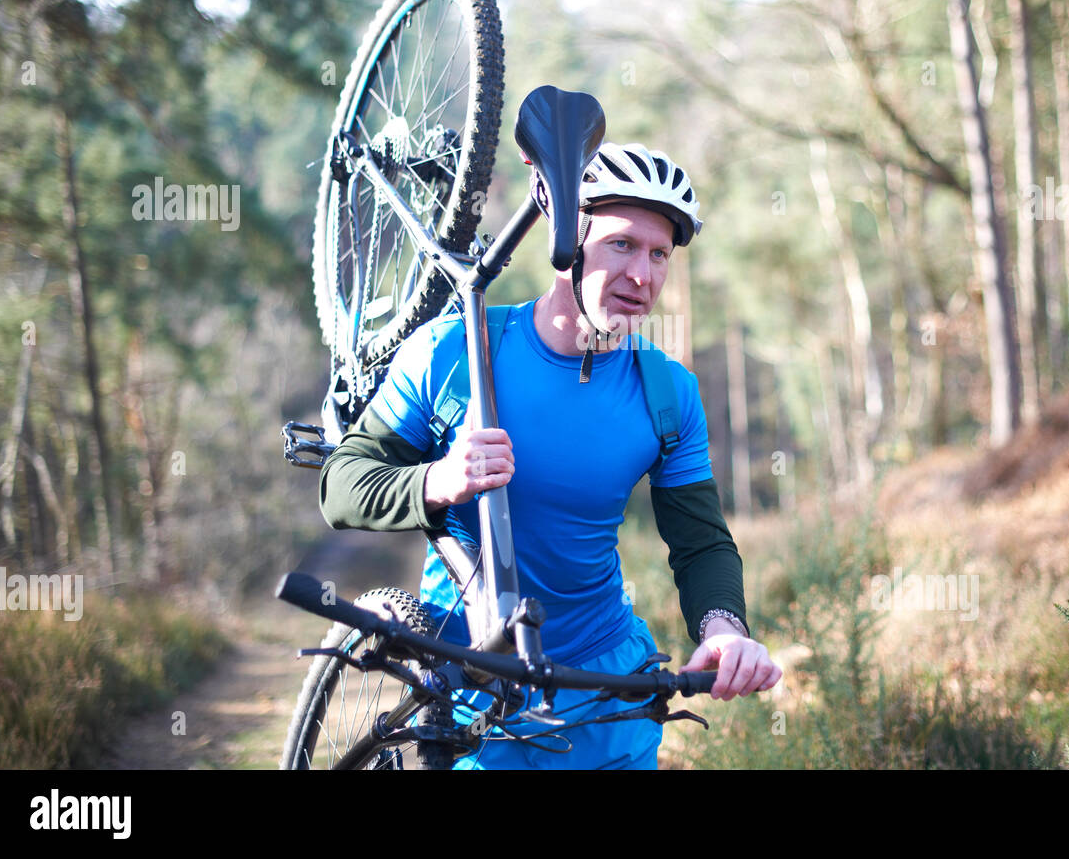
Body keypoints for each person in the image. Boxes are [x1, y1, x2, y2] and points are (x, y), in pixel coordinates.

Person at [318, 141, 781, 768]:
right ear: (568, 239)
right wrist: (437, 480)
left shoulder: (667, 391)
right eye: (621, 244)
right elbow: (341, 485)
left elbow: (700, 543)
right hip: (473, 667)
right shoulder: (455, 351)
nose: (643, 276)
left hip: (606, 686)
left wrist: (724, 627)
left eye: (659, 254)